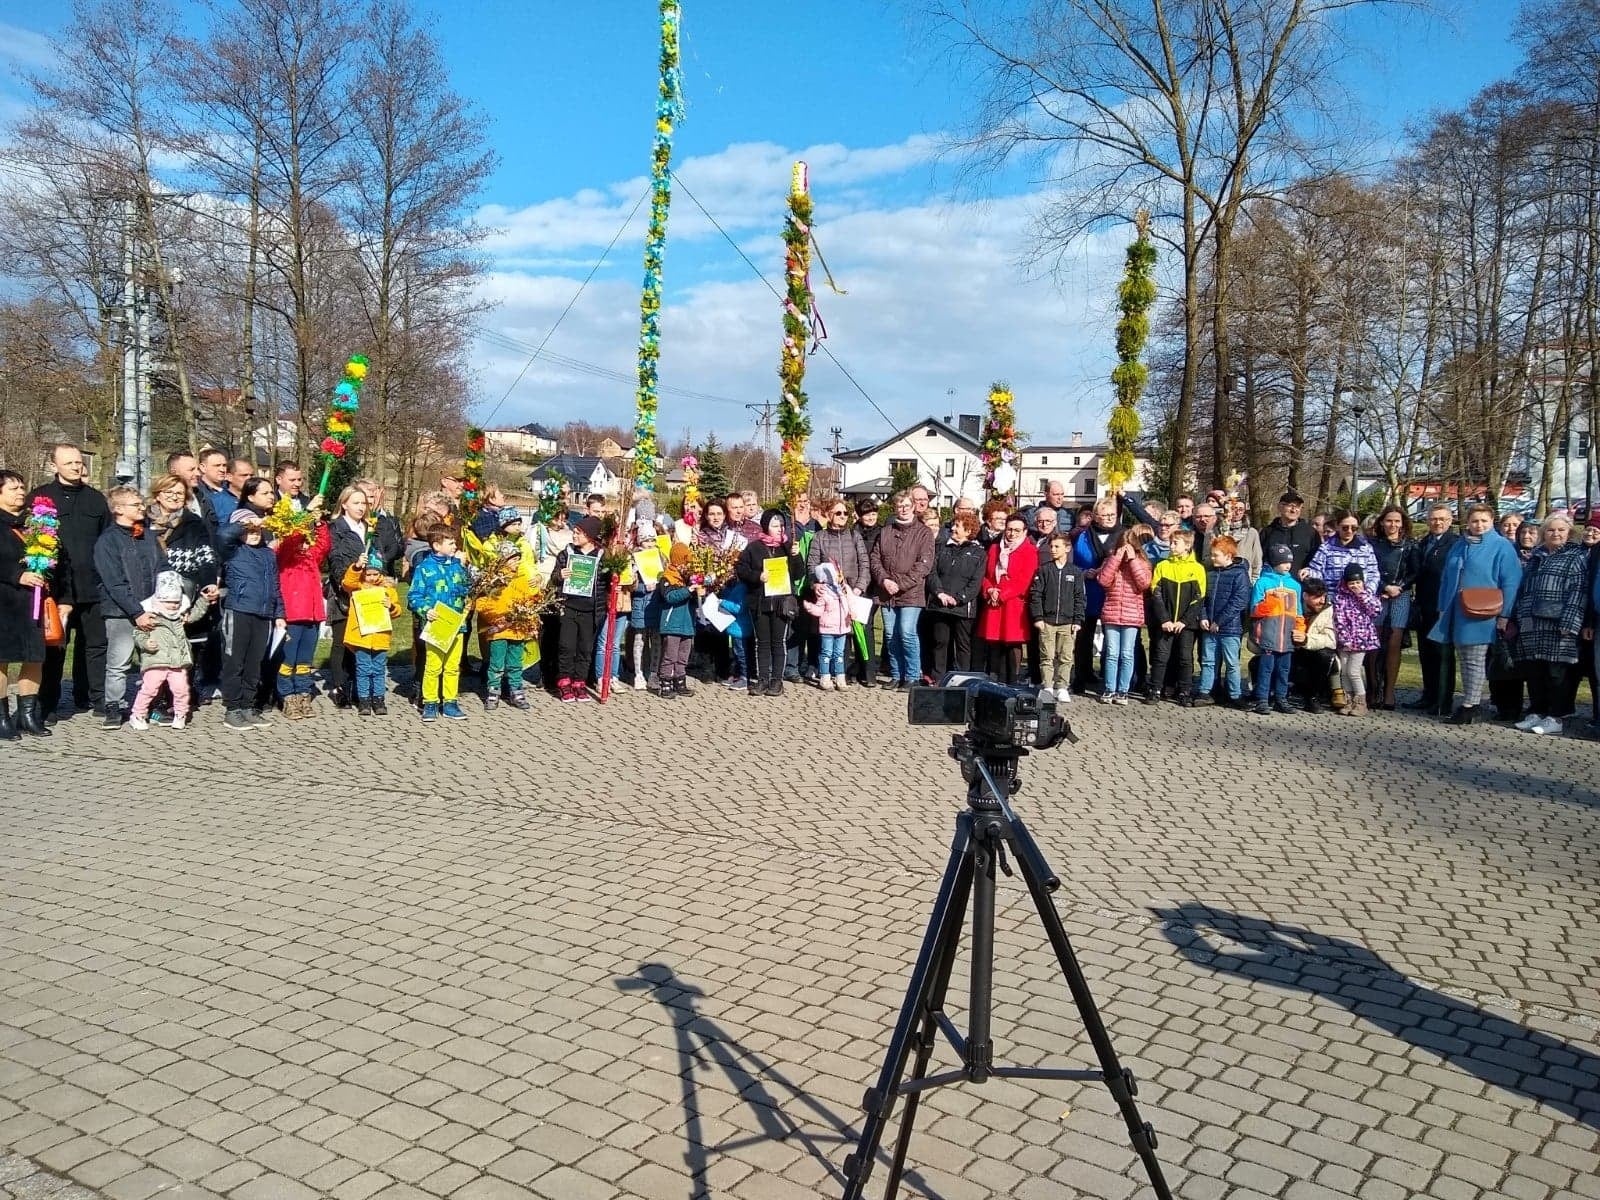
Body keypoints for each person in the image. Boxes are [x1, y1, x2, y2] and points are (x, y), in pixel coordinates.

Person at [27, 444, 110, 720]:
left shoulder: (96, 499)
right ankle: (48, 702)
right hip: (57, 588)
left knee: (95, 645)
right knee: (55, 647)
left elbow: (106, 539)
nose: (77, 467)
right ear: (55, 466)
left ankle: (92, 697)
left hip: (92, 585)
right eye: (70, 463)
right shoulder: (40, 498)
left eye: (79, 462)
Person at [1428, 504, 1522, 725]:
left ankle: (1471, 705)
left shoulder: (1501, 546)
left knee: (1475, 658)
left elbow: (1511, 581)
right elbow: (1446, 578)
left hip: (1484, 611)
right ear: (1467, 522)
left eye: (1484, 521)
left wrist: (1505, 615)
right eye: (1475, 521)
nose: (1479, 525)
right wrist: (1443, 607)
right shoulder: (1460, 545)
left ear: (1492, 522)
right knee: (1465, 657)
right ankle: (1471, 702)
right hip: (1457, 609)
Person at [146, 473, 220, 718]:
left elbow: (206, 554)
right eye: (170, 492)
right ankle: (156, 699)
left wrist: (209, 582)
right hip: (152, 592)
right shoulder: (145, 522)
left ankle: (181, 696)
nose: (176, 497)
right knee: (158, 646)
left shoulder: (193, 522)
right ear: (158, 495)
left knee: (185, 646)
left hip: (185, 591)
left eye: (180, 493)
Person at [94, 486, 167, 728]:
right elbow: (114, 581)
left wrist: (165, 599)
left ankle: (152, 705)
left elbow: (162, 569)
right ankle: (114, 705)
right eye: (135, 505)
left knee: (155, 660)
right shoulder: (108, 541)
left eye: (140, 503)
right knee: (119, 661)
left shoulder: (147, 536)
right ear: (118, 509)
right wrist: (136, 611)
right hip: (121, 611)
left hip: (152, 607)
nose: (141, 508)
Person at [1509, 514, 1587, 736]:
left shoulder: (1575, 557)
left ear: (1569, 533)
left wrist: (1570, 622)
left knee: (1557, 673)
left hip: (1558, 624)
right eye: (1551, 530)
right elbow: (1525, 589)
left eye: (1561, 530)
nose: (1556, 534)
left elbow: (1578, 592)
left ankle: (1556, 717)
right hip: (1531, 624)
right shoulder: (1537, 556)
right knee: (1535, 671)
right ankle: (1536, 711)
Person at [125, 571, 212, 732]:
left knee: (181, 689)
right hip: (156, 659)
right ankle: (137, 714)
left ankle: (180, 714)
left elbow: (195, 615)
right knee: (150, 688)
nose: (173, 606)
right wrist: (145, 642)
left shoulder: (179, 616)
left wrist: (203, 601)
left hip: (177, 661)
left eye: (176, 602)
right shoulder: (151, 616)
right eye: (169, 602)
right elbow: (138, 633)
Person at [0, 469, 52, 739]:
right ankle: (1, 717)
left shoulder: (35, 523)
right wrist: (16, 575)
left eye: (22, 487)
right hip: (4, 602)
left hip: (32, 601)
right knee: (2, 659)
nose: (21, 492)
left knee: (34, 657)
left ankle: (27, 715)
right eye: (13, 488)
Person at [219, 519, 284, 732]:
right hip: (238, 611)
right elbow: (222, 536)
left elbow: (275, 586)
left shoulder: (268, 555)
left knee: (254, 663)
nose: (254, 534)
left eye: (258, 530)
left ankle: (248, 705)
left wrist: (279, 614)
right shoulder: (234, 550)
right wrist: (244, 524)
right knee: (234, 660)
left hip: (263, 614)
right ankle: (232, 708)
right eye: (249, 531)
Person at [735, 509, 805, 696]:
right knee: (762, 642)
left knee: (778, 642)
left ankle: (777, 680)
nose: (779, 529)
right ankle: (763, 679)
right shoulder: (754, 547)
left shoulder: (788, 547)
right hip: (760, 602)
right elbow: (741, 569)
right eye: (775, 525)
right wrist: (757, 576)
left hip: (782, 602)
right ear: (766, 526)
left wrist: (796, 556)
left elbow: (799, 574)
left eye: (782, 525)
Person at [871, 490, 935, 690]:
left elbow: (924, 564)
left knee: (906, 632)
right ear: (895, 508)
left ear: (914, 507)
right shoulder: (886, 531)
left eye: (907, 505)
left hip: (911, 592)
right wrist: (884, 580)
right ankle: (896, 674)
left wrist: (902, 583)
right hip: (887, 592)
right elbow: (875, 559)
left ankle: (912, 675)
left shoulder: (923, 533)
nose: (904, 509)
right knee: (890, 635)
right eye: (900, 506)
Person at [411, 524, 473, 720]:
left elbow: (466, 588)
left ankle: (450, 702)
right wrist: (425, 610)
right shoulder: (424, 569)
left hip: (456, 624)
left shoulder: (457, 567)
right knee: (433, 665)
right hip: (436, 624)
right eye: (451, 542)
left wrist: (468, 597)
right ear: (437, 545)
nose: (455, 546)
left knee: (453, 666)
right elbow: (414, 596)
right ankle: (430, 702)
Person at [274, 505, 330, 720]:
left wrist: (318, 523)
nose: (305, 543)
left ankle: (303, 693)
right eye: (303, 539)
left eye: (308, 539)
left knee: (305, 660)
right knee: (289, 660)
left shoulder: (310, 558)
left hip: (313, 617)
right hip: (293, 616)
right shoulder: (284, 557)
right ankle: (287, 696)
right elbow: (290, 541)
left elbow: (324, 546)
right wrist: (304, 519)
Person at [323, 485, 372, 708]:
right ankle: (339, 685)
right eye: (356, 503)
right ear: (344, 504)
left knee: (359, 642)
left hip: (368, 592)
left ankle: (356, 684)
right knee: (341, 640)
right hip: (343, 592)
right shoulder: (336, 528)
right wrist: (349, 573)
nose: (361, 507)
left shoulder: (370, 528)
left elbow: (388, 550)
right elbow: (334, 559)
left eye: (363, 503)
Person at [1093, 525, 1153, 705]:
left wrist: (1133, 560)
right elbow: (1103, 580)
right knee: (1111, 652)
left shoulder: (1143, 563)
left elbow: (1144, 584)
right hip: (1111, 614)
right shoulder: (1112, 562)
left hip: (1131, 615)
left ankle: (1123, 690)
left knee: (1127, 654)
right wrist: (1116, 558)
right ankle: (1109, 688)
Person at [976, 512, 1038, 685]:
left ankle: (1013, 679)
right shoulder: (995, 548)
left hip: (1013, 604)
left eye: (1017, 530)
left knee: (1013, 644)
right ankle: (994, 678)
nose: (1012, 534)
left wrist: (1002, 594)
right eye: (1009, 529)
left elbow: (1024, 580)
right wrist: (989, 590)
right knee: (994, 644)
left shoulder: (1029, 550)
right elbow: (985, 575)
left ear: (1024, 531)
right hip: (993, 602)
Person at [1145, 528, 1205, 705]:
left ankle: (1185, 691)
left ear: (1187, 546)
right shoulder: (1163, 566)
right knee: (1161, 656)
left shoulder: (1197, 569)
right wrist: (1164, 619)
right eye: (1171, 542)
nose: (1171, 546)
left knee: (1185, 658)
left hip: (1186, 625)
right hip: (1165, 623)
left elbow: (1199, 598)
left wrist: (1184, 621)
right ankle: (1155, 689)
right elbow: (1155, 593)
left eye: (1175, 543)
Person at [551, 514, 607, 704]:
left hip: (591, 610)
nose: (574, 536)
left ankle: (579, 682)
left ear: (590, 536)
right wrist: (560, 575)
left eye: (579, 533)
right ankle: (564, 682)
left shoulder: (601, 556)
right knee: (566, 646)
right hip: (569, 606)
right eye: (574, 532)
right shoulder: (566, 554)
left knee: (585, 648)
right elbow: (554, 577)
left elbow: (606, 581)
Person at [475, 542, 538, 710]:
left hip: (517, 630)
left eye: (518, 559)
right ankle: (493, 690)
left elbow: (532, 601)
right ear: (503, 560)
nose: (517, 562)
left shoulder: (522, 580)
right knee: (496, 662)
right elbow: (482, 603)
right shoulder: (493, 581)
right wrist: (495, 617)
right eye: (513, 559)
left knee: (515, 662)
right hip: (498, 630)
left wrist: (528, 617)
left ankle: (516, 690)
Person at [1409, 504, 1459, 714]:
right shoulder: (1424, 542)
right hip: (1424, 605)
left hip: (1443, 606)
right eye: (1433, 519)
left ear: (1450, 521)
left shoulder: (1455, 544)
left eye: (1442, 519)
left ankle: (1442, 700)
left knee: (1442, 655)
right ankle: (1428, 695)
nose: (1437, 523)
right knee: (1426, 653)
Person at [924, 512, 985, 676]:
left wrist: (958, 598)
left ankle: (961, 678)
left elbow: (975, 581)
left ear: (968, 530)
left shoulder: (978, 552)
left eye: (957, 526)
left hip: (963, 607)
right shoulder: (942, 548)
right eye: (953, 525)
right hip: (940, 604)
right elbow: (932, 573)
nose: (952, 528)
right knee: (940, 642)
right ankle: (938, 677)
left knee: (962, 645)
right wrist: (939, 593)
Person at [1029, 530, 1086, 703]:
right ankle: (1047, 686)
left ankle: (1062, 686)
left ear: (1067, 548)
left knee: (1066, 656)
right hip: (1047, 621)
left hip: (1067, 622)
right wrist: (1038, 617)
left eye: (1057, 546)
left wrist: (1077, 620)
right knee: (1047, 655)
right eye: (1051, 546)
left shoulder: (1075, 572)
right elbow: (1036, 595)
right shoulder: (1044, 570)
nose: (1053, 549)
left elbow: (1080, 597)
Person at [340, 554, 400, 716]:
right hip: (362, 637)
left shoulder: (388, 590)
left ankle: (378, 699)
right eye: (369, 574)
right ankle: (364, 699)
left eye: (376, 574)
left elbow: (397, 611)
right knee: (363, 668)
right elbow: (348, 582)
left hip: (380, 636)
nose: (372, 578)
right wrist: (357, 566)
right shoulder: (357, 587)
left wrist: (391, 607)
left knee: (379, 669)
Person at [1071, 496, 1120, 694]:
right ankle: (1082, 675)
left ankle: (1113, 679)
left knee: (1114, 638)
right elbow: (1073, 562)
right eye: (1105, 515)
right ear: (1095, 516)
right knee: (1084, 637)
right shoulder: (1081, 535)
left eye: (1113, 515)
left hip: (1113, 593)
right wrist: (1083, 573)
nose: (1109, 518)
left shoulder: (1122, 534)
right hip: (1088, 591)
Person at [1369, 506, 1417, 710]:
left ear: (1403, 524)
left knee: (1395, 641)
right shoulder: (1372, 544)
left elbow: (1416, 571)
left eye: (1397, 521)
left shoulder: (1410, 545)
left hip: (1400, 595)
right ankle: (1373, 689)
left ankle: (1389, 693)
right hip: (1377, 593)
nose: (1393, 525)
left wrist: (1400, 587)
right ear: (1382, 522)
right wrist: (1383, 587)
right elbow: (1369, 568)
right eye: (1389, 520)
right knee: (1373, 641)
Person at [1249, 546, 1303, 715]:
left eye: (1289, 562)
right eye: (1283, 562)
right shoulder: (1263, 583)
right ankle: (1262, 699)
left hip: (1287, 636)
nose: (1287, 565)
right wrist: (1271, 601)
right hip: (1268, 635)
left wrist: (1300, 628)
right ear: (1274, 562)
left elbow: (1299, 611)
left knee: (1284, 669)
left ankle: (1281, 698)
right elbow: (1255, 610)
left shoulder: (1294, 585)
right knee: (1266, 669)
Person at [1197, 535, 1249, 706]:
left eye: (1216, 555)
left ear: (1228, 556)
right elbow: (1203, 597)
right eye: (1212, 555)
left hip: (1230, 628)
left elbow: (1239, 600)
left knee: (1232, 663)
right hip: (1209, 626)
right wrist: (1204, 617)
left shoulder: (1239, 574)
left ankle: (1235, 694)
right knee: (1208, 661)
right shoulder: (1210, 573)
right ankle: (1205, 691)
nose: (1212, 558)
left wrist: (1220, 621)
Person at [1331, 562, 1382, 716]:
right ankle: (1348, 700)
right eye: (1352, 583)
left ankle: (1361, 701)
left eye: (1358, 582)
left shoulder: (1367, 595)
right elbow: (1338, 618)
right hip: (1344, 640)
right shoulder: (1340, 597)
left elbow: (1376, 610)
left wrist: (1362, 595)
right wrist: (1343, 637)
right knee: (1345, 671)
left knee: (1354, 671)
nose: (1355, 586)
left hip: (1361, 640)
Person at [650, 542, 699, 699]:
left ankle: (680, 681)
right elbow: (670, 597)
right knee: (670, 655)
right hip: (672, 624)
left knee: (683, 655)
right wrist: (688, 590)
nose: (687, 564)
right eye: (685, 560)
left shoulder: (688, 578)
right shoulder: (667, 578)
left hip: (687, 623)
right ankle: (665, 682)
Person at [803, 562, 851, 692]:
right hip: (827, 629)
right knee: (826, 653)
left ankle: (840, 677)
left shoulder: (844, 589)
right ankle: (825, 677)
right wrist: (810, 607)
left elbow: (850, 603)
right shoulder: (824, 593)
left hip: (842, 628)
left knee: (839, 654)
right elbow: (819, 610)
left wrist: (852, 612)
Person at [850, 497, 883, 685]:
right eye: (866, 513)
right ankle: (860, 666)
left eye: (873, 513)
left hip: (873, 587)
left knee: (867, 626)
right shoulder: (853, 532)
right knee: (857, 627)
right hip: (857, 584)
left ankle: (868, 670)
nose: (870, 517)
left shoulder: (882, 532)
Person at [1292, 579, 1337, 712]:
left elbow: (1330, 640)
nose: (1322, 600)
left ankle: (1313, 697)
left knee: (1325, 656)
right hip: (1291, 650)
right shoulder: (1293, 606)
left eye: (1324, 596)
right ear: (1305, 596)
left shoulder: (1329, 611)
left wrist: (1306, 640)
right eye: (1317, 597)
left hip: (1312, 654)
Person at [1308, 510, 1380, 593]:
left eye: (1354, 528)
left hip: (1359, 600)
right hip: (1333, 598)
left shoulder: (1366, 548)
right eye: (1345, 528)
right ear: (1338, 526)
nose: (1349, 531)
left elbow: (1373, 574)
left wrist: (1368, 592)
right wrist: (1309, 573)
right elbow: (1317, 572)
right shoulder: (1326, 548)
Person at [1265, 489, 1317, 578]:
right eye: (1290, 506)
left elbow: (1317, 560)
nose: (1294, 510)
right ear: (1280, 506)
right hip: (1273, 586)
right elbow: (1262, 559)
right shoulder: (1268, 532)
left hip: (1301, 585)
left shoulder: (1310, 533)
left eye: (1297, 506)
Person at [1224, 496, 1263, 580]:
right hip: (1223, 577)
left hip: (1244, 579)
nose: (1237, 512)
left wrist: (1254, 580)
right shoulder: (1220, 530)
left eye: (1241, 509)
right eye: (1234, 508)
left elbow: (1257, 560)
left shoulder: (1251, 533)